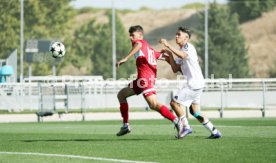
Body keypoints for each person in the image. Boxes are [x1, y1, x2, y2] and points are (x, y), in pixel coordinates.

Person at [116, 25, 180, 136]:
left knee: (153, 104)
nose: (131, 38)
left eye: (133, 35)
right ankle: (125, 125)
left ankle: (177, 121)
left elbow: (138, 44)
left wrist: (126, 58)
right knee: (121, 95)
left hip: (145, 79)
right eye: (130, 35)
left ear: (140, 35)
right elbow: (164, 56)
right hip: (141, 80)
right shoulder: (149, 49)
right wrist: (176, 65)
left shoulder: (139, 43)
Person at [159, 27, 222, 139]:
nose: (176, 36)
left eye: (179, 34)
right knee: (195, 111)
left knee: (174, 103)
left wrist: (168, 46)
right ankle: (214, 131)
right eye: (176, 34)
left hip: (194, 83)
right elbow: (175, 69)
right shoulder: (181, 50)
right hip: (197, 83)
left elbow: (183, 55)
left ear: (186, 38)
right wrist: (169, 55)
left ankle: (186, 127)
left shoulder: (188, 47)